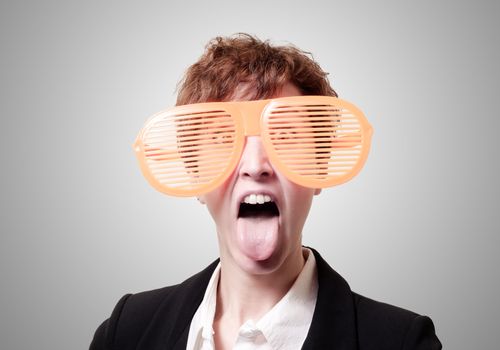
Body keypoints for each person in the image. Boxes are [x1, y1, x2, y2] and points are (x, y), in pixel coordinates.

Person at [90, 33, 442, 350]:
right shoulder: (128, 332)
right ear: (197, 177)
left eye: (285, 135)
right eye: (222, 138)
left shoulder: (401, 342)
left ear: (319, 170)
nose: (255, 165)